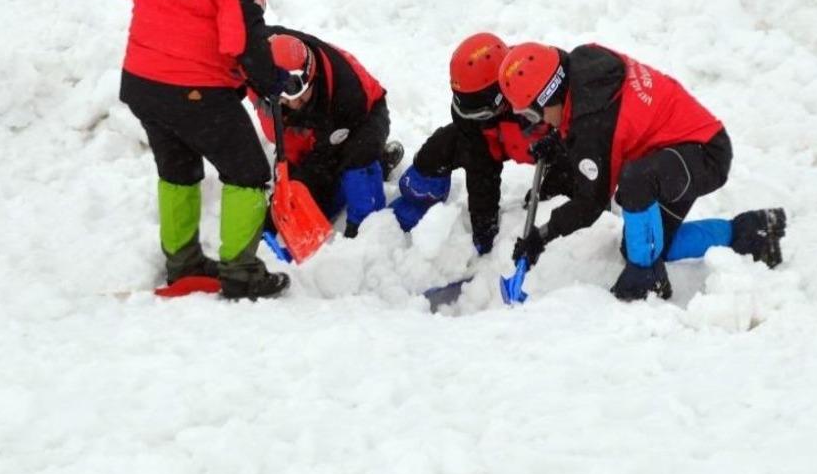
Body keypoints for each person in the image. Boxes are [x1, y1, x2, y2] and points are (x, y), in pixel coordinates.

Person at [104, 0, 292, 300]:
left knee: (179, 170)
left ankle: (183, 262)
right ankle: (242, 274)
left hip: (142, 86)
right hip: (197, 90)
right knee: (247, 173)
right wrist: (269, 82)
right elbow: (241, 41)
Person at [497, 42, 786, 301]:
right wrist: (560, 142)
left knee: (636, 184)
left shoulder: (593, 122)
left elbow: (590, 203)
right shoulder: (586, 67)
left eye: (533, 115)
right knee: (645, 245)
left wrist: (543, 235)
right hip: (673, 155)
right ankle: (750, 233)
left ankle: (648, 279)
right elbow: (593, 129)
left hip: (704, 153)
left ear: (550, 94)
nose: (535, 124)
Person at [390, 33, 560, 255]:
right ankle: (419, 198)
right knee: (441, 147)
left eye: (481, 112)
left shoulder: (539, 84)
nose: (475, 117)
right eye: (468, 110)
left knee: (554, 200)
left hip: (552, 149)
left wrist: (556, 146)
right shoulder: (472, 117)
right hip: (500, 140)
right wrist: (484, 229)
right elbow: (482, 171)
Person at [252, 29, 402, 238]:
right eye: (283, 101)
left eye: (300, 98)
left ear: (311, 76)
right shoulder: (256, 60)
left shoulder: (346, 92)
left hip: (364, 116)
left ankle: (365, 227)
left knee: (354, 162)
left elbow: (326, 154)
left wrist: (308, 179)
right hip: (316, 130)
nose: (293, 104)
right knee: (305, 188)